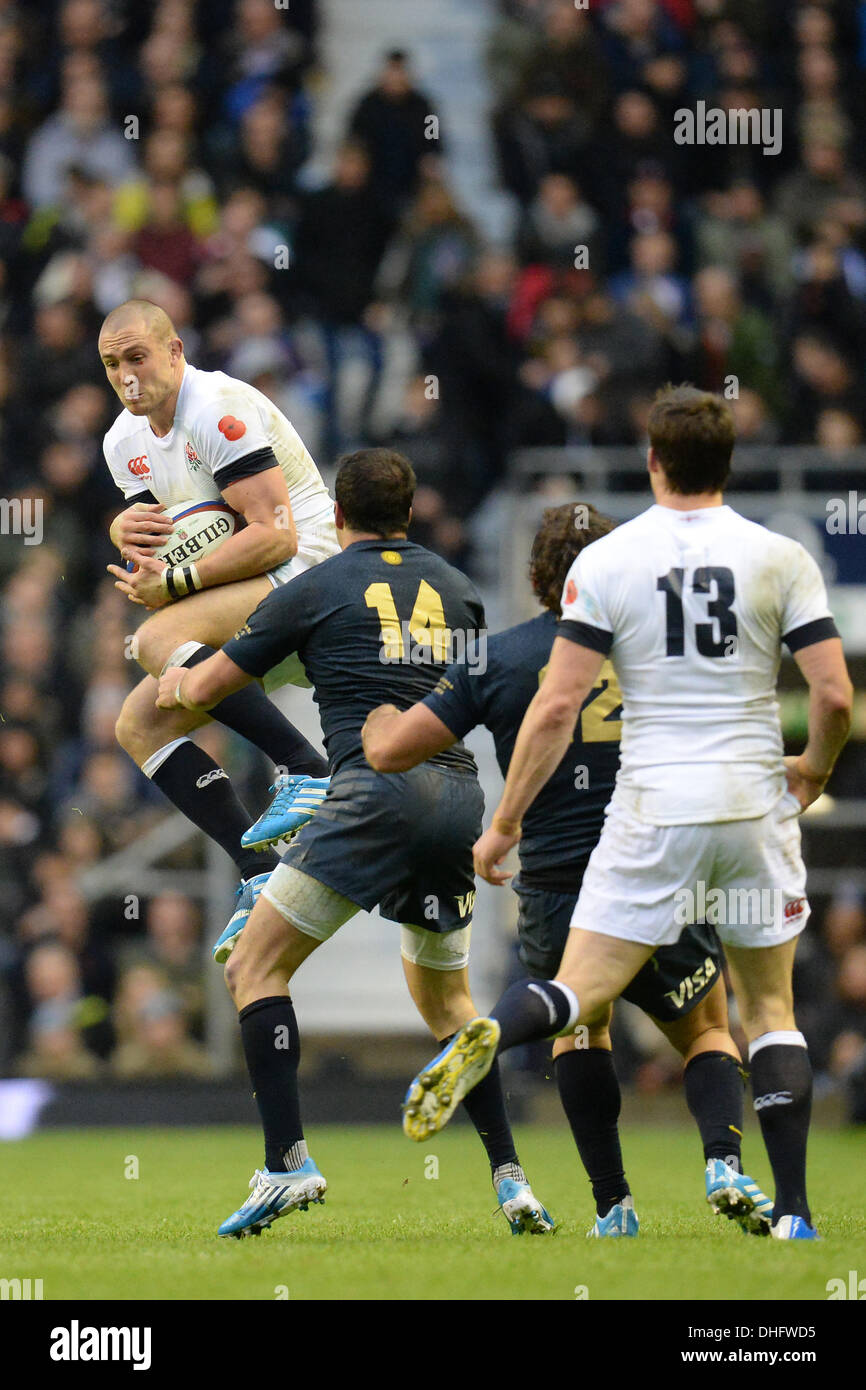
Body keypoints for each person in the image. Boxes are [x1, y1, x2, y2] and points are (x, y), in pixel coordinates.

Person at [397, 385, 853, 1242]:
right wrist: (812, 772)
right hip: (754, 802)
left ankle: (498, 1029)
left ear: (651, 461)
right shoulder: (782, 556)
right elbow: (832, 692)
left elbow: (558, 703)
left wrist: (503, 825)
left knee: (578, 998)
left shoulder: (607, 565)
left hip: (653, 810)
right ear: (729, 462)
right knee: (766, 1013)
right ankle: (793, 1214)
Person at [156, 448, 552, 1239]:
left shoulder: (320, 585)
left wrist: (176, 673)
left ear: (334, 517)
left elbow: (206, 687)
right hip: (458, 800)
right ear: (412, 513)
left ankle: (287, 1163)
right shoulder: (461, 589)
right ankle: (513, 1182)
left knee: (255, 966)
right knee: (449, 1006)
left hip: (373, 794)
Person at [363, 501, 772, 1237]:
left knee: (580, 1032)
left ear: (537, 576)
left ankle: (614, 1207)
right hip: (659, 865)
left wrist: (376, 723)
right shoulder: (664, 649)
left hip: (556, 880)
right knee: (707, 1028)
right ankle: (724, 1165)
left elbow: (395, 750)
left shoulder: (499, 655)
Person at [99, 298, 335, 943]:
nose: (125, 377)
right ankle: (256, 869)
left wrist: (173, 583)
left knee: (156, 640)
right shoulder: (122, 441)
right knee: (139, 723)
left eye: (138, 358)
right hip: (249, 590)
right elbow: (172, 536)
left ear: (176, 352)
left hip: (314, 570)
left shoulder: (217, 409)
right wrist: (122, 530)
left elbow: (276, 536)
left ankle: (305, 766)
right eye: (112, 364)